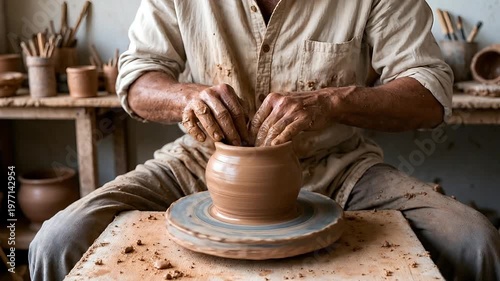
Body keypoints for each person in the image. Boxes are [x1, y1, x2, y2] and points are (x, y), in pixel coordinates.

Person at [29, 1, 500, 280]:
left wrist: (333, 101)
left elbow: (429, 94)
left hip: (341, 166)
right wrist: (186, 97)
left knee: (474, 242)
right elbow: (135, 79)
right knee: (57, 241)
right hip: (202, 162)